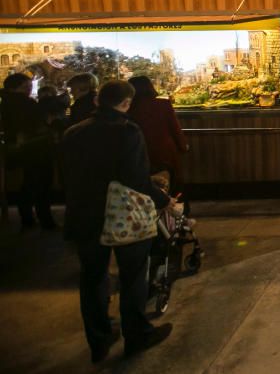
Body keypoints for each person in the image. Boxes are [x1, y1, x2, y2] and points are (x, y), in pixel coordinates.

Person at [62, 81, 174, 362]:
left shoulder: (73, 132)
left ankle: (98, 341)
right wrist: (162, 199)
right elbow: (136, 179)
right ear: (126, 103)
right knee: (133, 275)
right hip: (123, 214)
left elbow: (65, 175)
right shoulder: (127, 131)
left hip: (84, 215)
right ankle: (137, 335)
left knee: (92, 278)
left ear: (98, 100)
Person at [1, 73, 58, 230]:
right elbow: (35, 126)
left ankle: (27, 218)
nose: (30, 89)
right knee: (41, 186)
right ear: (21, 86)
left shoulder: (5, 102)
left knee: (27, 184)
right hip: (36, 149)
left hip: (20, 150)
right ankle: (46, 221)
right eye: (28, 86)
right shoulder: (25, 104)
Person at [126, 76, 187, 189]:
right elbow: (174, 128)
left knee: (145, 186)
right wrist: (183, 146)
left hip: (140, 152)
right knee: (169, 186)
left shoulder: (128, 107)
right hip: (164, 151)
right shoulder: (163, 104)